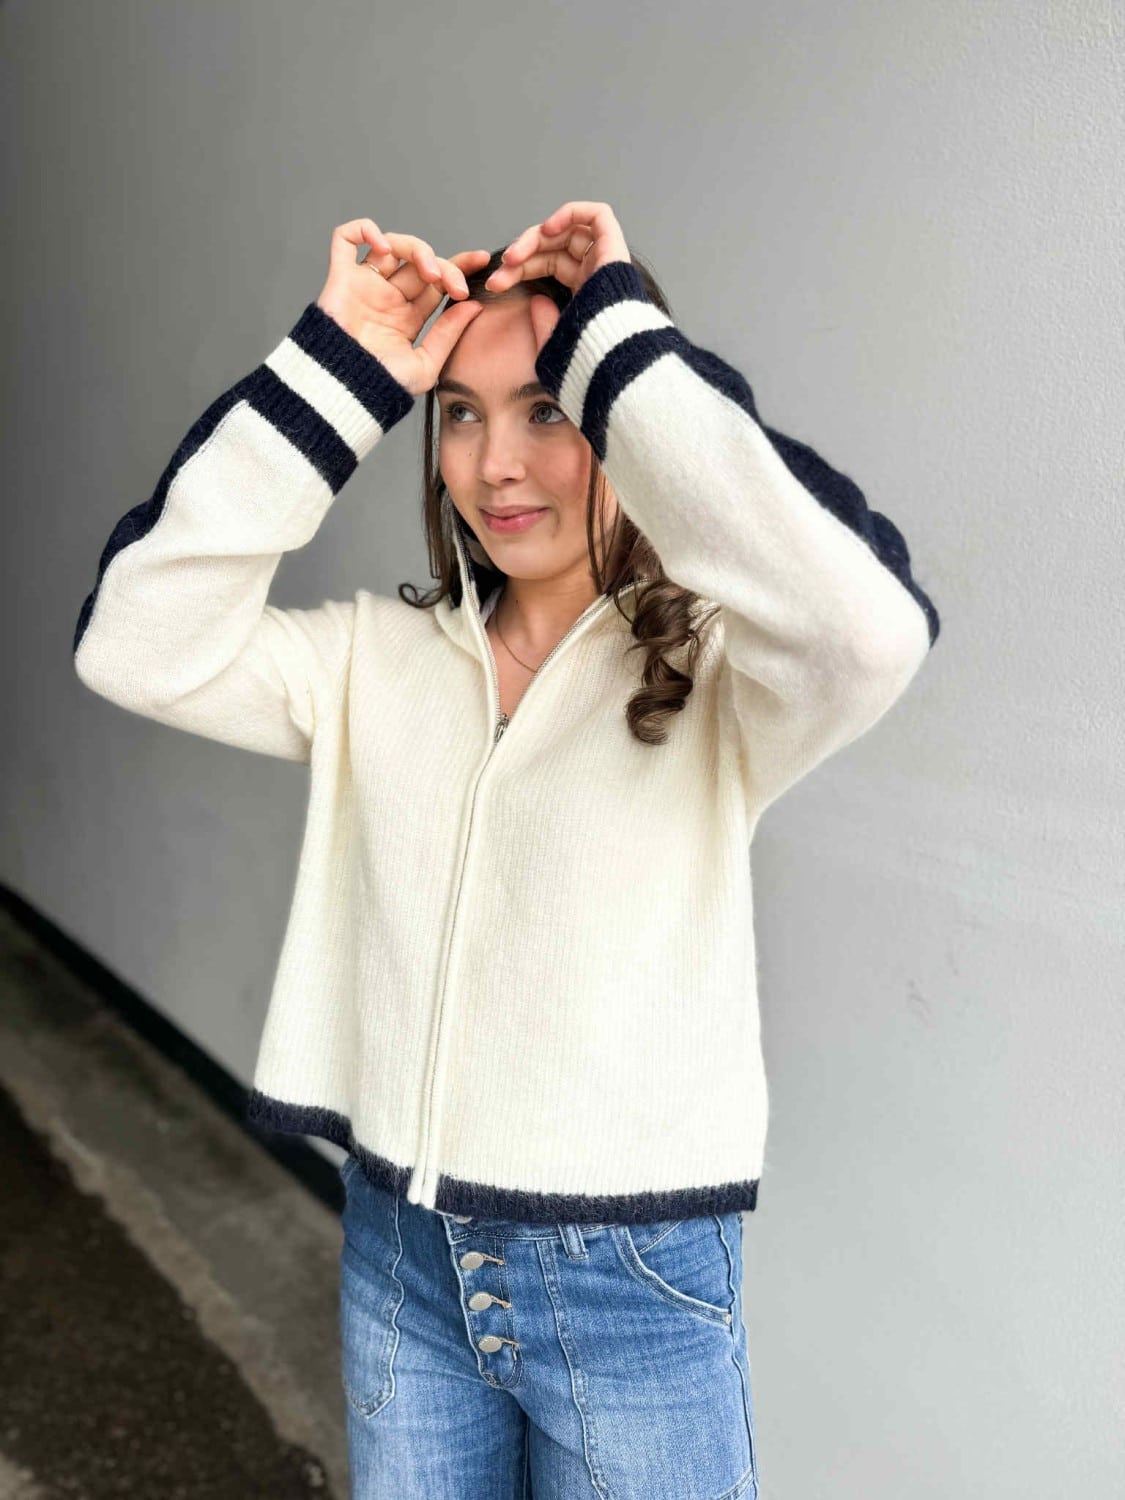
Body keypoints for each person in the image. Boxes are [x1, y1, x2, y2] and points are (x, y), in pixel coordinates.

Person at [73, 201, 941, 1497]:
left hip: (629, 1284)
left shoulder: (720, 677)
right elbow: (133, 643)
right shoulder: (370, 661)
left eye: (548, 408)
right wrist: (344, 365)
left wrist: (622, 344)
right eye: (459, 415)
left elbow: (868, 629)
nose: (495, 466)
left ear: (619, 420)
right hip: (402, 1260)